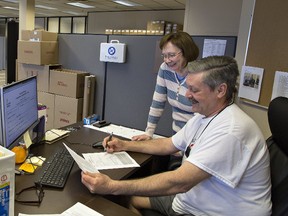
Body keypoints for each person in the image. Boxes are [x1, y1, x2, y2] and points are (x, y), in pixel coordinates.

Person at [81, 56, 272, 216]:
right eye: (188, 87)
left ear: (221, 90)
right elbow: (169, 145)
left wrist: (112, 186)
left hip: (213, 212)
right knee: (125, 200)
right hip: (191, 201)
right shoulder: (203, 117)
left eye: (194, 90)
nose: (187, 94)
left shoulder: (231, 131)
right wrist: (124, 145)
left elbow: (179, 182)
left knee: (115, 197)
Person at [132, 31, 199, 141]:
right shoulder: (165, 69)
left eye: (172, 55)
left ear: (186, 52)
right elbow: (157, 103)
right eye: (164, 55)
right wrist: (149, 132)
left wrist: (183, 143)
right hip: (177, 134)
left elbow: (201, 115)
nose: (167, 60)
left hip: (196, 136)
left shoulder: (199, 74)